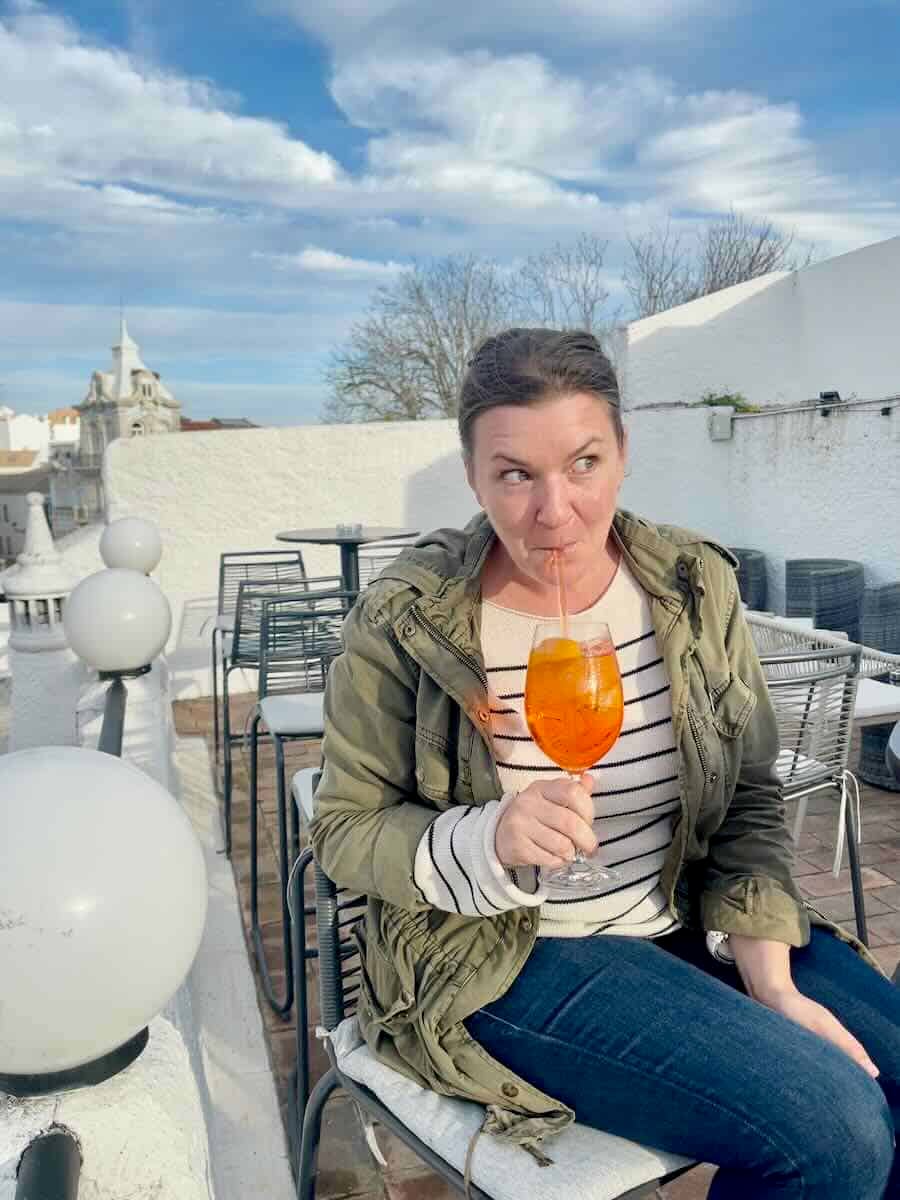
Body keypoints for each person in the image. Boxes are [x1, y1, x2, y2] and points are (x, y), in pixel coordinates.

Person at [311, 328, 900, 1199]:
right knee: (836, 1133)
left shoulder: (693, 582)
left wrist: (767, 975)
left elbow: (744, 791)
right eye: (515, 473)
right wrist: (490, 838)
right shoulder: (408, 617)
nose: (555, 511)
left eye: (583, 462)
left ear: (623, 454)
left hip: (685, 909)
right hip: (502, 954)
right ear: (472, 476)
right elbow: (344, 831)